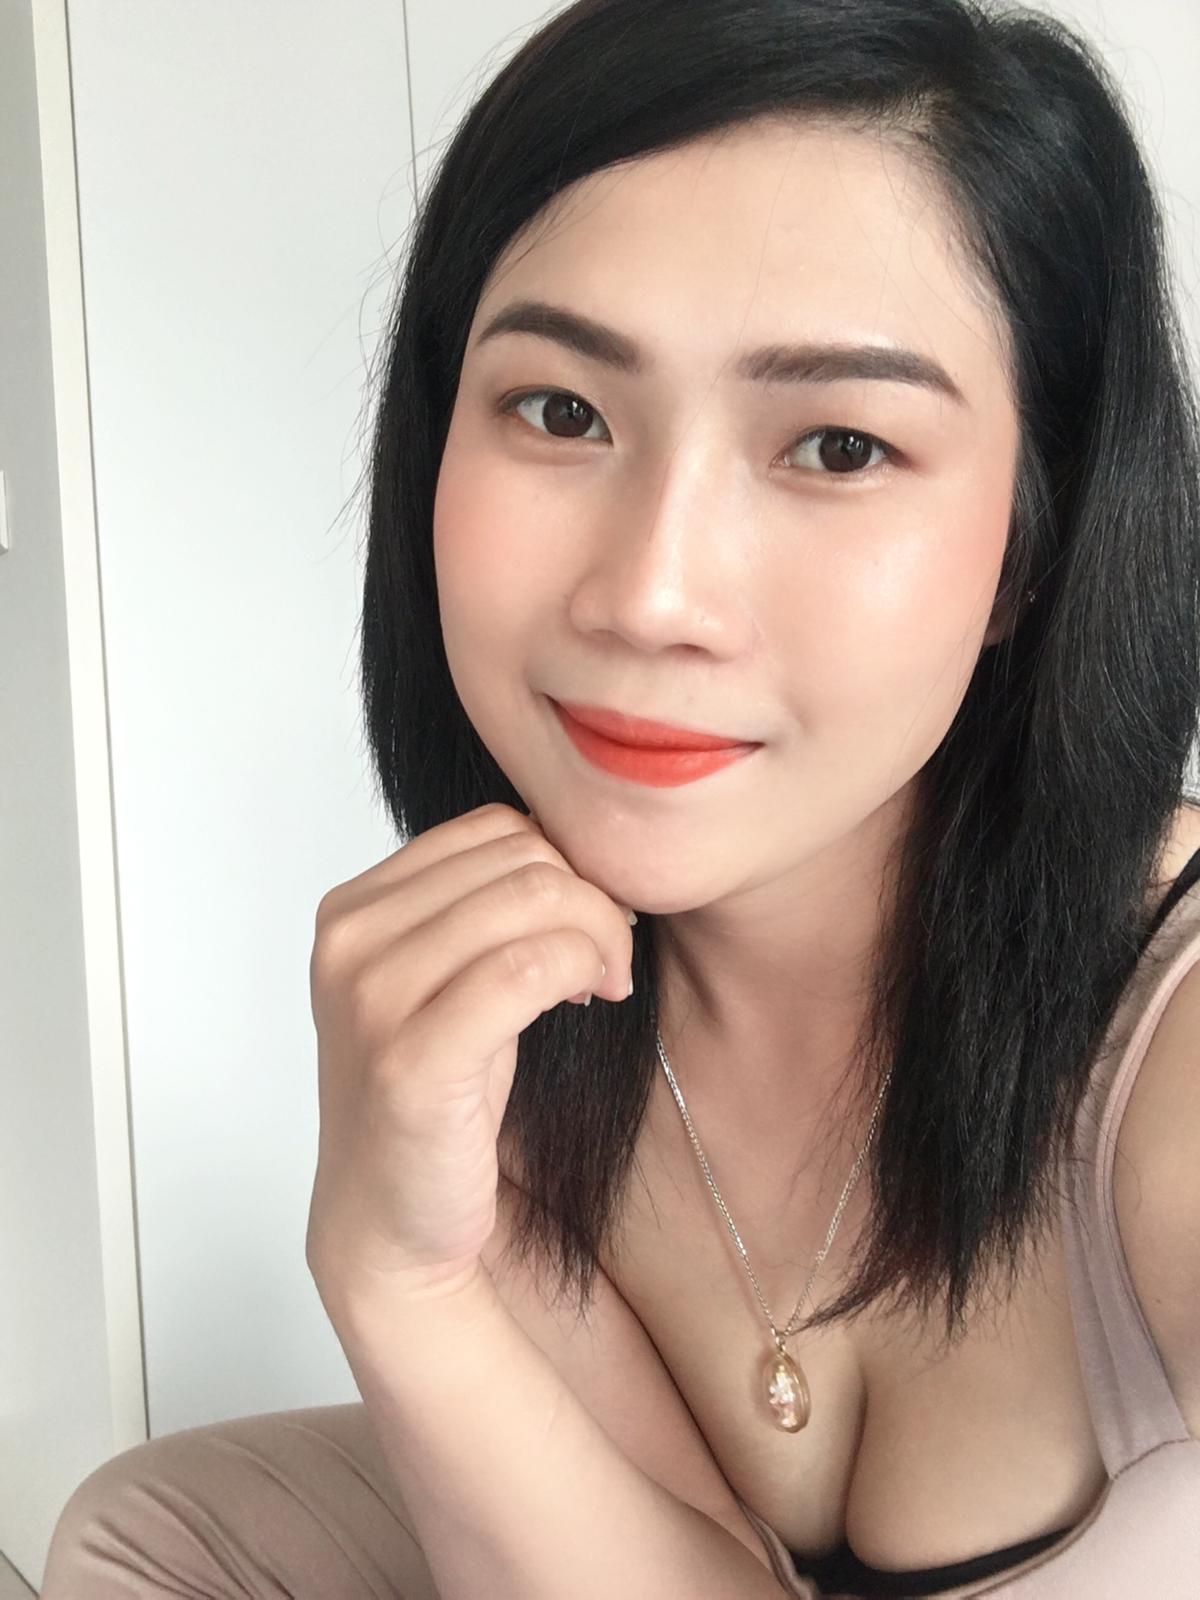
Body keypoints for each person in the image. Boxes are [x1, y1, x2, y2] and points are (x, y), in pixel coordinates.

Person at [41, 0, 1200, 1596]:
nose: (652, 596)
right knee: (150, 1527)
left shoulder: (1171, 1055)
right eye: (563, 412)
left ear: (1030, 548)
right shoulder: (512, 1023)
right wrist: (400, 1278)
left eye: (840, 446)